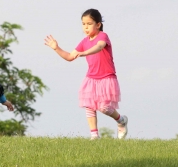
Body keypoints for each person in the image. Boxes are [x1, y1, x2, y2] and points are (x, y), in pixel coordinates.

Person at [44, 8, 128, 140]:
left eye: (89, 24)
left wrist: (84, 53)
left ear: (98, 24)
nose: (86, 27)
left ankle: (121, 120)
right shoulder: (84, 41)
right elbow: (70, 57)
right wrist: (56, 48)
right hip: (91, 78)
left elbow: (99, 46)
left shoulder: (103, 36)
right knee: (89, 105)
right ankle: (94, 135)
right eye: (83, 24)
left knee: (104, 107)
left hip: (106, 77)